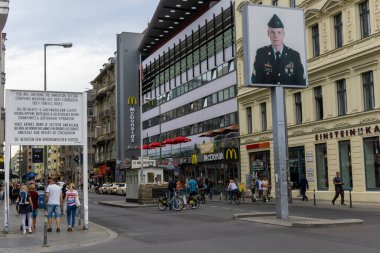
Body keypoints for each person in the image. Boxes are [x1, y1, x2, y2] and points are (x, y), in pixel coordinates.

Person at [251, 14, 305, 86]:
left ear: (283, 34)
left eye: (279, 32)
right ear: (268, 33)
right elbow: (255, 80)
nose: (276, 36)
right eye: (272, 32)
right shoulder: (261, 54)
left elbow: (301, 81)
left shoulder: (294, 55)